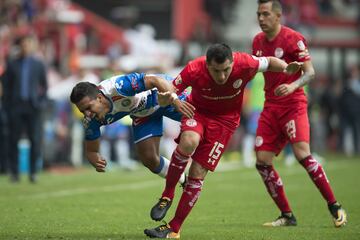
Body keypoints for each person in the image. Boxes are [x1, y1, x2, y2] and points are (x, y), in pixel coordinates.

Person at [144, 43, 302, 238]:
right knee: (189, 141)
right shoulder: (194, 68)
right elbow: (170, 90)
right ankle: (167, 195)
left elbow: (268, 62)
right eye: (216, 71)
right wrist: (169, 99)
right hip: (198, 112)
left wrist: (286, 68)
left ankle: (174, 228)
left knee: (197, 173)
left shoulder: (245, 63)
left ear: (233, 62)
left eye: (226, 69)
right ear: (207, 65)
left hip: (225, 123)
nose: (222, 76)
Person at [252, 0, 347, 228]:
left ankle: (335, 206)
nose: (261, 19)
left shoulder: (293, 38)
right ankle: (287, 215)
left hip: (293, 103)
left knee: (302, 154)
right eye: (258, 14)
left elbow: (310, 72)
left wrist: (293, 85)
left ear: (278, 16)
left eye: (265, 14)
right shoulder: (257, 41)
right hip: (271, 106)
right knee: (262, 162)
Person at [69, 73, 195, 185]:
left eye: (89, 108)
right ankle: (185, 181)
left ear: (100, 98)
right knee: (149, 159)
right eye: (82, 111)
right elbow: (91, 151)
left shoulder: (118, 87)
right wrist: (94, 158)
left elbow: (154, 80)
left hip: (161, 95)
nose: (87, 114)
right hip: (143, 113)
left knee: (200, 119)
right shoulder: (90, 121)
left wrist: (175, 99)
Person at [2, 35, 48, 183]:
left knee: (34, 139)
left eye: (28, 44)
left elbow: (44, 85)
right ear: (20, 46)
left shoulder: (38, 64)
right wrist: (8, 104)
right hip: (16, 106)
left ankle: (33, 172)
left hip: (32, 106)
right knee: (13, 139)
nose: (26, 47)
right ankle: (14, 173)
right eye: (23, 44)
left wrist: (41, 102)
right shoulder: (12, 63)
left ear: (33, 46)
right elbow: (6, 86)